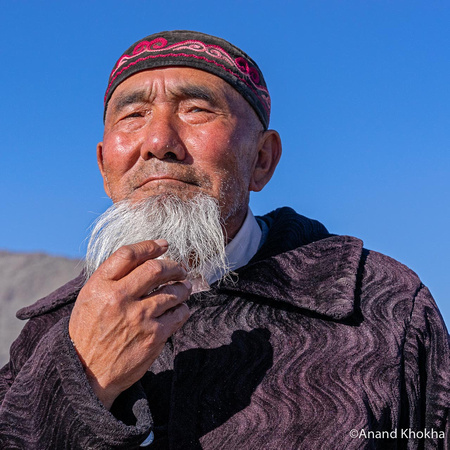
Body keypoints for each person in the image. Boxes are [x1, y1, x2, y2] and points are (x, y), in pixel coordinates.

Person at [0, 30, 448, 449]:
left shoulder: (381, 305)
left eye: (196, 109)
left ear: (262, 160)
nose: (158, 142)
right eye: (133, 115)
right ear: (104, 167)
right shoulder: (52, 329)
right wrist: (83, 377)